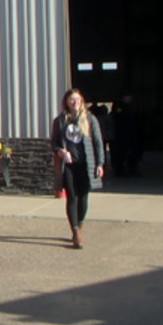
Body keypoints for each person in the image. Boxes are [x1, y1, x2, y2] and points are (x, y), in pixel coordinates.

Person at [50, 88, 105, 249]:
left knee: (84, 198)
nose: (75, 102)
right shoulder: (60, 121)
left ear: (82, 102)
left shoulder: (90, 119)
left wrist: (100, 163)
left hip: (86, 165)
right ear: (66, 102)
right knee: (72, 197)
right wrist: (59, 151)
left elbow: (98, 142)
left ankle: (80, 224)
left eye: (78, 100)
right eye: (72, 100)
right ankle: (75, 233)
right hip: (68, 165)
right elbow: (54, 142)